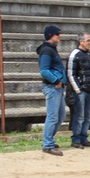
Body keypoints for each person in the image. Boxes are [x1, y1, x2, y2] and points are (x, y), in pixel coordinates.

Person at [37, 25, 66, 156]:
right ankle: (47, 144)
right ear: (50, 36)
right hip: (52, 87)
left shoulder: (51, 49)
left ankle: (49, 140)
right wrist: (56, 81)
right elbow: (44, 70)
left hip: (57, 88)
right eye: (57, 34)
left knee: (60, 116)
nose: (59, 36)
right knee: (53, 116)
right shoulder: (47, 50)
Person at [67, 32, 90, 149]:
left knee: (88, 115)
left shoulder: (89, 54)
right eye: (88, 40)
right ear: (81, 41)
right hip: (80, 91)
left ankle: (84, 137)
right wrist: (78, 89)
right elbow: (70, 73)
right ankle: (76, 139)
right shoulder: (75, 54)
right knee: (79, 116)